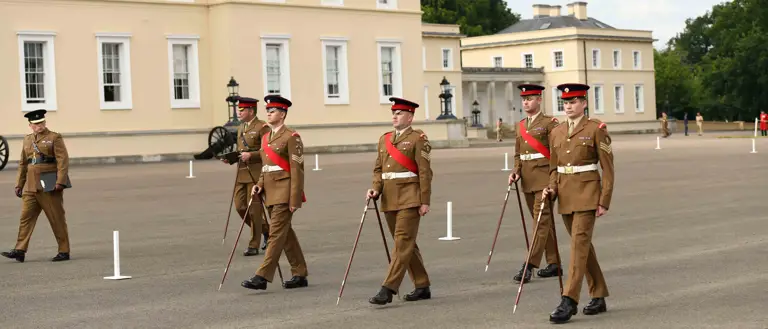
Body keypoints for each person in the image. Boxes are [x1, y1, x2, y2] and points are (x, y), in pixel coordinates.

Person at [542, 83, 614, 324]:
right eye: (566, 102)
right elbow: (554, 167)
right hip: (565, 195)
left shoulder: (596, 128)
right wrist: (551, 187)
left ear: (584, 103)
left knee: (577, 247)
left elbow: (608, 168)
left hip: (587, 194)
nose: (569, 106)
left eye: (573, 102)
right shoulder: (556, 132)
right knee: (583, 247)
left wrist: (604, 200)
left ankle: (569, 299)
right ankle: (599, 293)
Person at [366, 97, 433, 305]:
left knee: (401, 243)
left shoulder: (418, 138)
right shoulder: (384, 139)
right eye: (393, 113)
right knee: (406, 244)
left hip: (410, 198)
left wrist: (425, 200)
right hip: (389, 198)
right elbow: (378, 169)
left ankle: (388, 288)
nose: (395, 116)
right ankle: (422, 285)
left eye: (400, 113)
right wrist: (375, 189)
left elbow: (425, 172)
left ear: (410, 117)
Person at [241, 95, 308, 290]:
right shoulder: (265, 138)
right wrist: (260, 184)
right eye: (268, 110)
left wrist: (295, 198)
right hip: (269, 191)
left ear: (283, 114)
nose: (269, 113)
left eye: (273, 110)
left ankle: (262, 276)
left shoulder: (291, 137)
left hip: (284, 192)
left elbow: (297, 169)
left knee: (276, 234)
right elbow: (266, 165)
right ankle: (300, 272)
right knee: (286, 234)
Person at [2, 109, 71, 263]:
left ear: (45, 122)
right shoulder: (27, 140)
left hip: (49, 184)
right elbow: (23, 163)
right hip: (30, 186)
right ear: (30, 125)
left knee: (56, 218)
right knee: (25, 218)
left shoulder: (54, 137)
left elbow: (62, 161)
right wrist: (19, 184)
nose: (39, 126)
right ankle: (20, 250)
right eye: (36, 124)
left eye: (41, 123)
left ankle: (64, 250)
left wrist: (60, 181)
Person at [508, 84, 561, 283]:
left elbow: (557, 152)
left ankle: (529, 264)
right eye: (524, 99)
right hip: (528, 181)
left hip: (545, 180)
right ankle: (554, 262)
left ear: (539, 99)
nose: (526, 102)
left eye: (530, 98)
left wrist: (554, 180)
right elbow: (518, 154)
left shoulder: (550, 123)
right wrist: (515, 171)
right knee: (543, 223)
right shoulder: (520, 126)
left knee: (539, 222)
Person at [221, 97, 271, 256]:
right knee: (240, 206)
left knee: (255, 210)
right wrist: (230, 158)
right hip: (241, 173)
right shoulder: (242, 127)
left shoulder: (262, 127)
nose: (239, 112)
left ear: (251, 111)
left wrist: (252, 155)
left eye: (242, 110)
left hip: (256, 174)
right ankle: (267, 230)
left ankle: (253, 244)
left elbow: (268, 151)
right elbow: (241, 150)